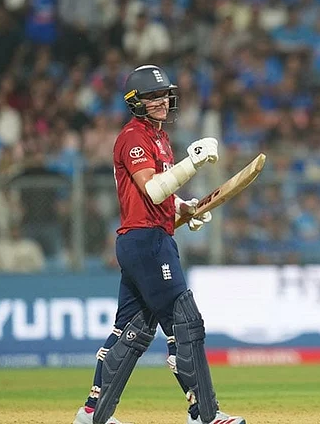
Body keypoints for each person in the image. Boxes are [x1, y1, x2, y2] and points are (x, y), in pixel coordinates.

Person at [72, 65, 245, 424]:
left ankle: (92, 415)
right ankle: (205, 414)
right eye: (152, 97)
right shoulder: (134, 136)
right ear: (135, 102)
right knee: (185, 324)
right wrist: (193, 162)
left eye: (164, 93)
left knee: (130, 332)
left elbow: (157, 194)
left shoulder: (159, 138)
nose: (162, 101)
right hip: (148, 241)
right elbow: (151, 188)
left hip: (146, 239)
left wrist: (184, 207)